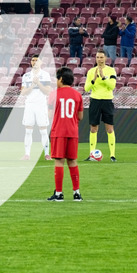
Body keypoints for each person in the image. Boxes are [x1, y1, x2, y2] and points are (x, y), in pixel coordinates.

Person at [47, 67, 83, 202]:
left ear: (61, 79)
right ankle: (76, 193)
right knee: (72, 161)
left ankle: (59, 194)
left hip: (58, 131)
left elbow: (50, 115)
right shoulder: (77, 95)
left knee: (59, 161)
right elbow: (80, 116)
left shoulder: (53, 94)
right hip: (72, 131)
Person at [84, 50, 117, 161]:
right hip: (95, 100)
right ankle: (91, 154)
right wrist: (93, 80)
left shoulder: (111, 70)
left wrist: (103, 77)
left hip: (107, 101)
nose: (99, 59)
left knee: (109, 128)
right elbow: (86, 88)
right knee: (93, 128)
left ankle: (112, 155)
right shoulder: (91, 71)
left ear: (105, 58)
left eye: (101, 57)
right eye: (97, 57)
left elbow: (112, 86)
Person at [20, 54, 51, 160]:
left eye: (37, 60)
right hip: (29, 105)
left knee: (43, 130)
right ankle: (27, 154)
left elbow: (48, 91)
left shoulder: (45, 75)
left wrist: (38, 83)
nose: (34, 62)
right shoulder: (26, 76)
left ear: (41, 62)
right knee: (28, 130)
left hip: (41, 105)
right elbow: (23, 92)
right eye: (33, 60)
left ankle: (47, 154)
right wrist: (33, 85)